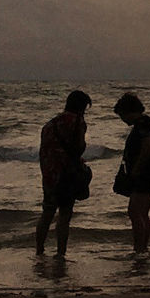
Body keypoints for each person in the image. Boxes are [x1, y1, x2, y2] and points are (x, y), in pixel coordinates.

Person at [33, 89, 92, 257]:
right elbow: (79, 147)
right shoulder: (77, 122)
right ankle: (60, 253)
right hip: (68, 174)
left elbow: (45, 152)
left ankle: (39, 250)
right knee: (65, 215)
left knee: (47, 213)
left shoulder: (50, 124)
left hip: (50, 175)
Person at [111, 91, 150, 255]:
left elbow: (147, 146)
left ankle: (139, 248)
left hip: (146, 174)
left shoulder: (141, 124)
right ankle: (143, 248)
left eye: (122, 115)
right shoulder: (147, 122)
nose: (122, 119)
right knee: (142, 213)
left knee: (134, 212)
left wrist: (136, 170)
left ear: (128, 111)